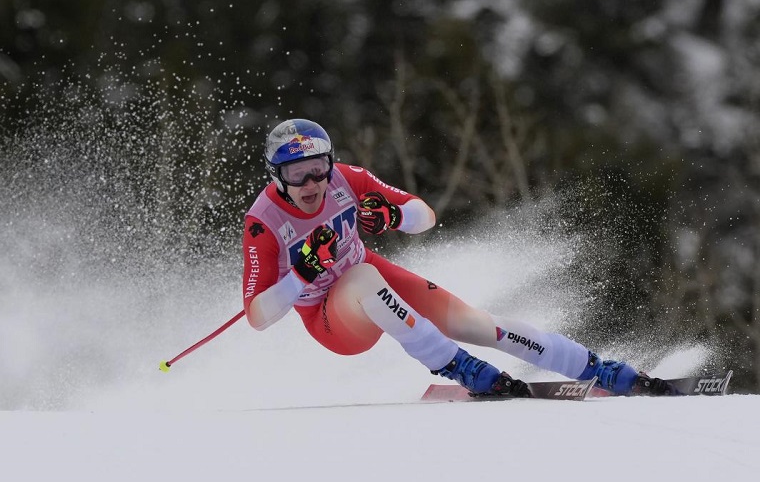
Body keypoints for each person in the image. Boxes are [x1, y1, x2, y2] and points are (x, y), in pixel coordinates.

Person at [241, 118, 676, 397]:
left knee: (475, 323)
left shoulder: (346, 179)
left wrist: (393, 215)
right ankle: (457, 365)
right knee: (360, 278)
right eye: (296, 173)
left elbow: (424, 215)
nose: (311, 182)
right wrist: (302, 273)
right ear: (277, 176)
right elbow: (257, 316)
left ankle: (596, 368)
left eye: (318, 168)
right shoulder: (263, 223)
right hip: (330, 318)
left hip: (371, 276)